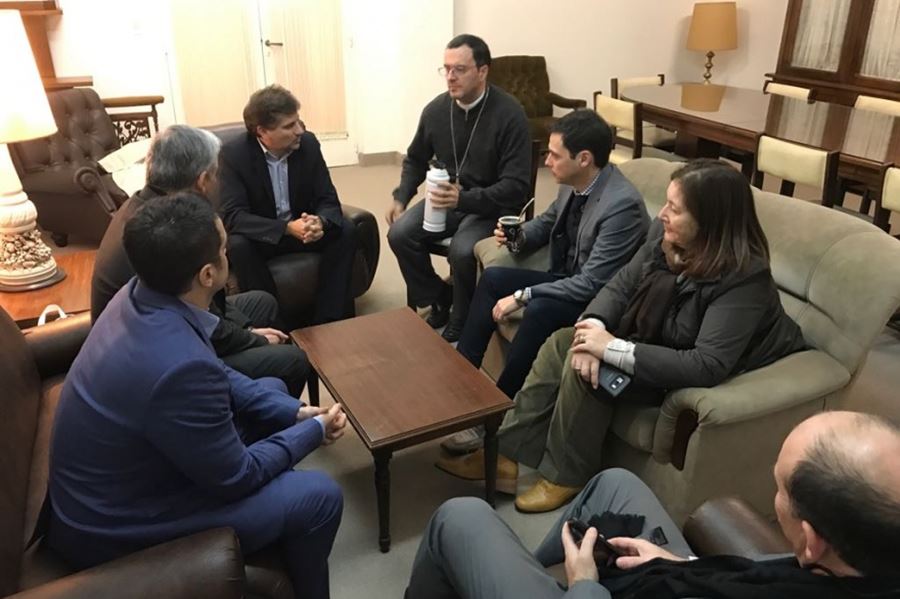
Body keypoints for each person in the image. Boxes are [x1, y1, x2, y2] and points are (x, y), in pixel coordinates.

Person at [437, 160, 806, 512]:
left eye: (675, 209)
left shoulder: (743, 279)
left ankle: (566, 474)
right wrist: (593, 326)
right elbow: (621, 285)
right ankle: (504, 456)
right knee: (560, 343)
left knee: (591, 372)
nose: (662, 214)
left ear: (709, 222)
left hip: (709, 365)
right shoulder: (663, 236)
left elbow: (706, 364)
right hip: (660, 340)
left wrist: (610, 348)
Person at [49, 194, 347, 599]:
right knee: (320, 496)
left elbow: (217, 371)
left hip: (120, 482)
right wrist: (312, 430)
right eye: (225, 248)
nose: (229, 253)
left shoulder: (139, 294)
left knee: (273, 390)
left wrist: (294, 412)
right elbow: (236, 477)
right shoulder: (177, 366)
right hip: (116, 525)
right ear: (209, 274)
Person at [409, 411, 900, 599]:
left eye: (778, 491)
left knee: (461, 516)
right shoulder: (865, 563)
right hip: (687, 576)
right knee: (615, 483)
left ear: (812, 541)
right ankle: (536, 571)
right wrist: (683, 562)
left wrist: (583, 587)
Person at [442, 110, 649, 454]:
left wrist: (524, 295)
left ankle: (496, 412)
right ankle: (462, 382)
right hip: (566, 278)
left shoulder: (621, 206)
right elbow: (548, 222)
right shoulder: (574, 185)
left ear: (584, 159)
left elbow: (590, 284)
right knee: (494, 277)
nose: (546, 160)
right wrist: (517, 238)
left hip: (596, 300)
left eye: (554, 154)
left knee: (538, 308)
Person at [91, 125, 309, 397]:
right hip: (160, 355)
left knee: (262, 302)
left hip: (170, 323)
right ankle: (268, 419)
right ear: (202, 180)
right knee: (292, 360)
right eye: (217, 174)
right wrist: (252, 338)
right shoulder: (167, 232)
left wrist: (248, 332)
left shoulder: (149, 205)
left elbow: (201, 302)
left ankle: (268, 403)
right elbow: (197, 322)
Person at [386, 34, 532, 342]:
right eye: (446, 69)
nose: (450, 77)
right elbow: (415, 159)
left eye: (460, 69)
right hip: (447, 200)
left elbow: (516, 187)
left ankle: (461, 317)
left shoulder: (510, 114)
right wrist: (402, 196)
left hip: (491, 205)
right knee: (400, 234)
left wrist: (464, 198)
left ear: (482, 71)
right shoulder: (436, 110)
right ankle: (440, 295)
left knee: (463, 250)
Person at [219, 84, 357, 324]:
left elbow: (327, 198)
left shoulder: (309, 144)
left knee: (345, 229)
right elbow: (234, 216)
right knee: (239, 245)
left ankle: (329, 321)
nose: (300, 130)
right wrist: (285, 228)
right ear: (261, 132)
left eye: (299, 121)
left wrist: (320, 222)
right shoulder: (233, 154)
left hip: (305, 230)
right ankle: (274, 325)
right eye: (289, 126)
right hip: (267, 235)